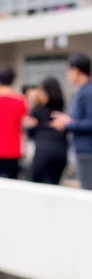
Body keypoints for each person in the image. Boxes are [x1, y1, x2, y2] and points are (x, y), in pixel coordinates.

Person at [51, 52, 92, 189]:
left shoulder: (87, 92)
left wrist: (68, 123)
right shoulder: (81, 91)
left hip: (87, 150)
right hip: (82, 150)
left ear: (75, 70)